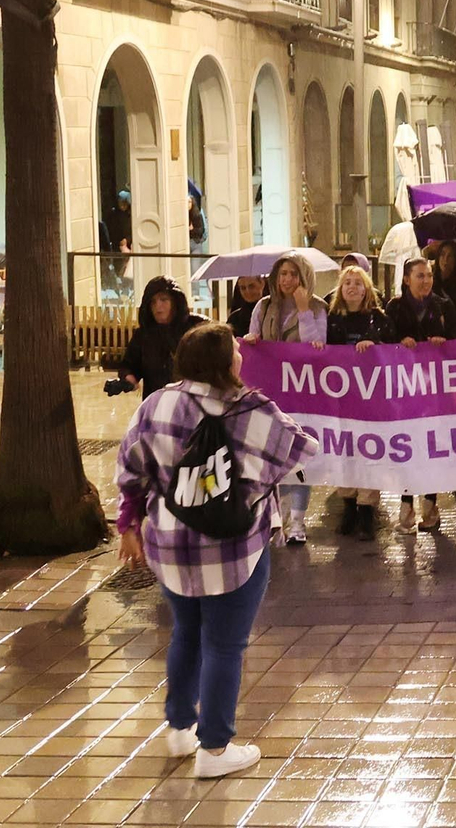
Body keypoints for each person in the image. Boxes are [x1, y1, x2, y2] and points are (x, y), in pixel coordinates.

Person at [115, 322, 319, 777]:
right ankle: (215, 749)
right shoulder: (249, 408)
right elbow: (300, 449)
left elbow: (131, 470)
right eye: (236, 351)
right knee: (225, 644)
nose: (242, 357)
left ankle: (180, 728)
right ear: (225, 362)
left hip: (169, 544)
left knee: (186, 632)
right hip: (233, 550)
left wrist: (127, 523)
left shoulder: (157, 404)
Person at [243, 252, 328, 540]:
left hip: (302, 394)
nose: (288, 280)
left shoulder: (318, 308)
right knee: (269, 457)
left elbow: (315, 346)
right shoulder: (264, 307)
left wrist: (304, 310)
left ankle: (298, 522)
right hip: (270, 394)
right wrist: (253, 341)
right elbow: (253, 337)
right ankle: (273, 517)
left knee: (299, 459)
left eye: (293, 274)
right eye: (283, 274)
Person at [383, 257, 456, 535]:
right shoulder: (394, 307)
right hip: (404, 392)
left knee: (431, 446)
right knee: (407, 446)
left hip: (436, 392)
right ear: (406, 280)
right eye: (419, 276)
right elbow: (385, 342)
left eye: (428, 276)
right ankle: (405, 505)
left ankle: (430, 506)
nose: (425, 281)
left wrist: (441, 342)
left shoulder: (443, 305)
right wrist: (400, 345)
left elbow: (455, 339)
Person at [326, 265, 396, 542]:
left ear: (367, 289)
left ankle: (367, 508)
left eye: (358, 283)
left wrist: (373, 342)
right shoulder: (332, 319)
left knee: (369, 451)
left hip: (371, 398)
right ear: (340, 290)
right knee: (345, 450)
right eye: (347, 283)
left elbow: (392, 346)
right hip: (343, 398)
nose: (352, 287)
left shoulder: (378, 318)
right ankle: (348, 504)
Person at [117, 276, 206, 399]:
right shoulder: (144, 335)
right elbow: (129, 365)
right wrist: (128, 380)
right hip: (157, 403)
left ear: (175, 302)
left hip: (193, 403)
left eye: (163, 300)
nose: (158, 306)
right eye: (153, 302)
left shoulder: (198, 327)